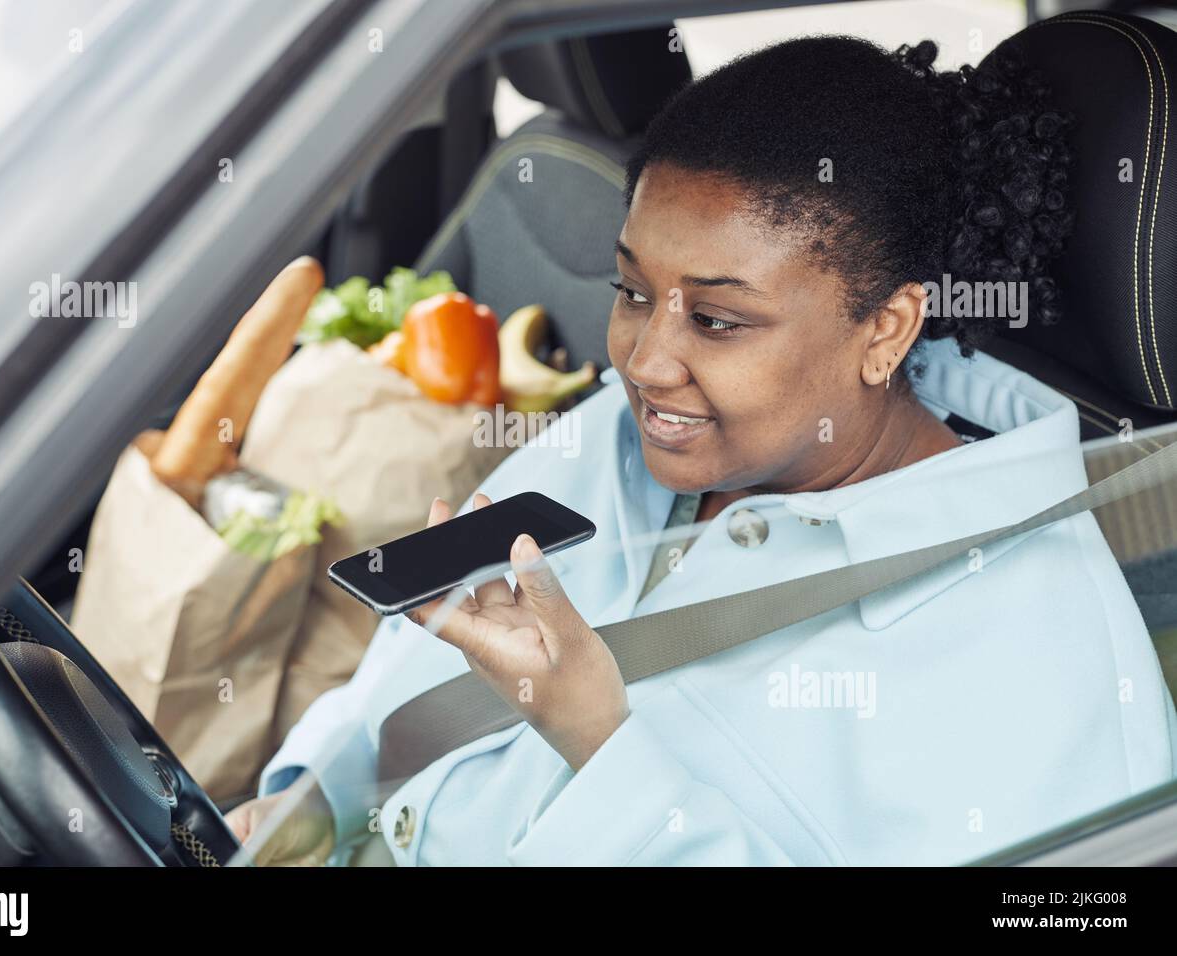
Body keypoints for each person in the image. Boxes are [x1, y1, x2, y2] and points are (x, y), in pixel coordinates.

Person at [225, 36, 1177, 865]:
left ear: (885, 331)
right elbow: (415, 674)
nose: (644, 361)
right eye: (632, 290)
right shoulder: (623, 432)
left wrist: (601, 744)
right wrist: (311, 803)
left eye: (719, 320)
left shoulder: (1041, 665)